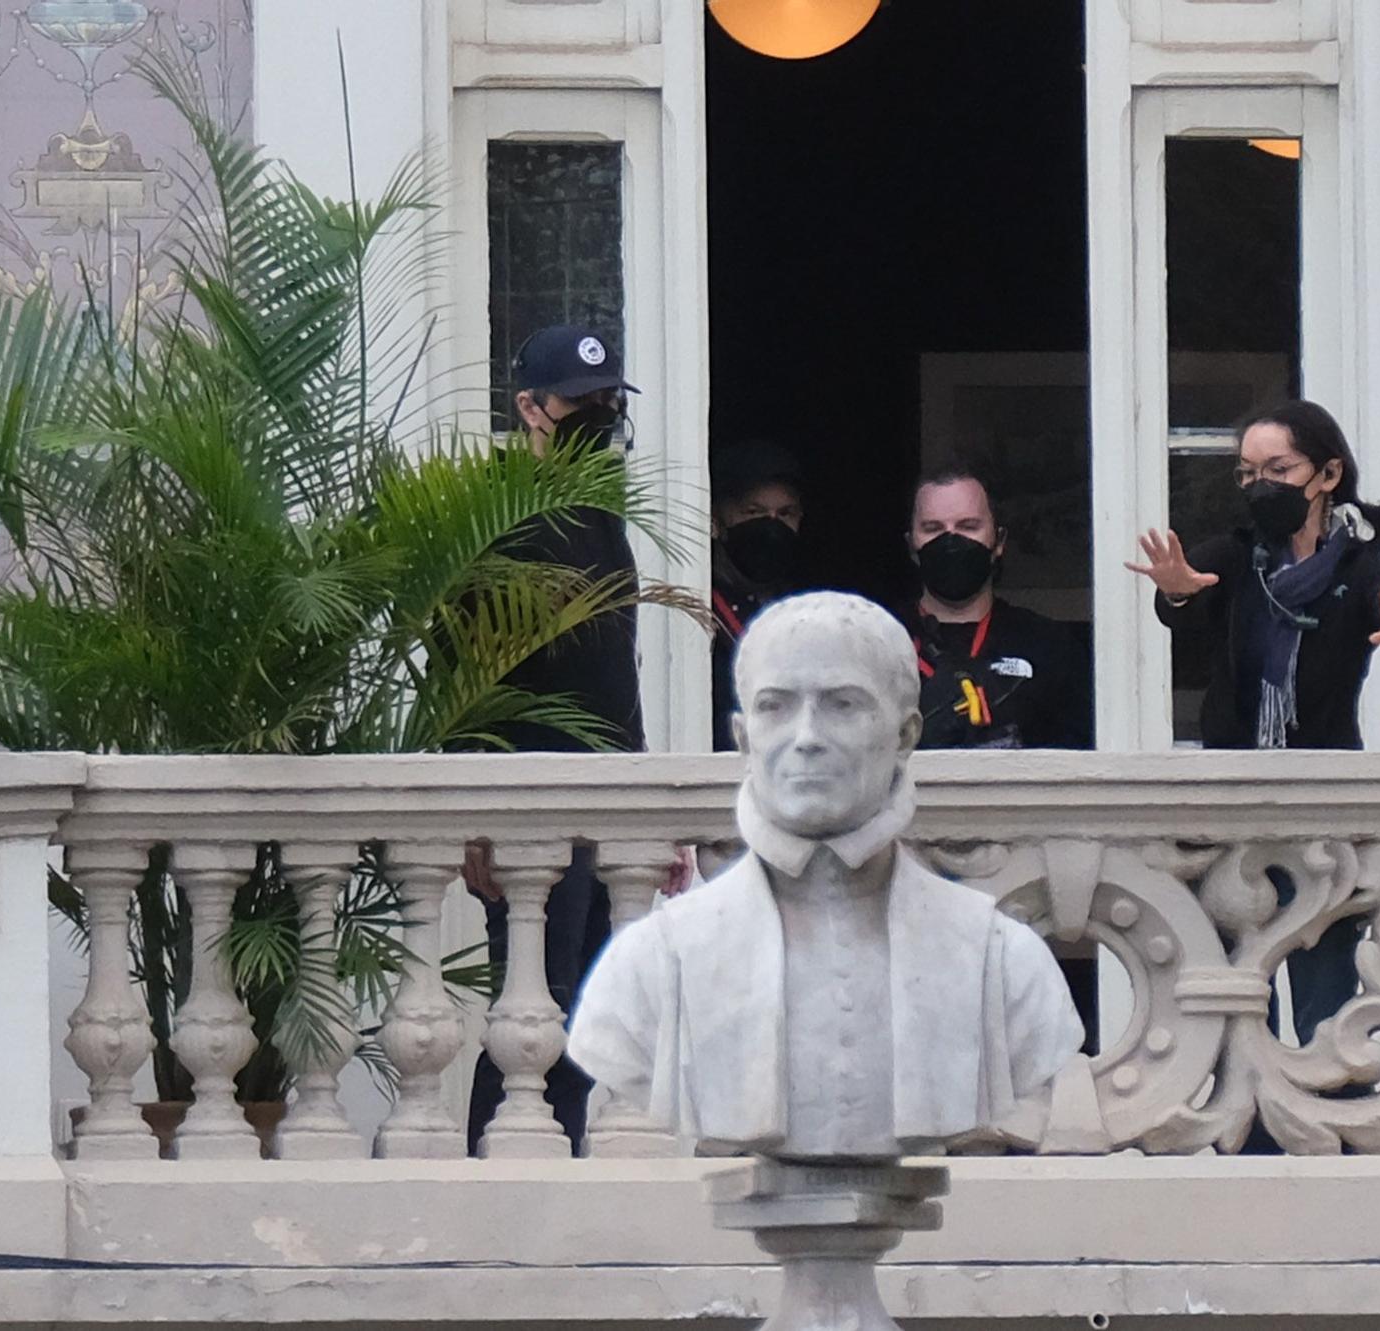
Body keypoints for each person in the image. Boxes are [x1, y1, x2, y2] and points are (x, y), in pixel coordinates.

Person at [566, 591, 1085, 1158]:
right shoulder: (648, 968)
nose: (806, 736)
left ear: (906, 736)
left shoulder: (1003, 963)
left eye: (842, 704)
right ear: (742, 737)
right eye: (775, 706)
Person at [1126, 399, 1380, 1138]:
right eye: (1247, 472)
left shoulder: (1362, 567)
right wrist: (1172, 587)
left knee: (1324, 986)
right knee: (1236, 987)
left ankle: (1328, 1137)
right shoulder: (1237, 557)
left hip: (1324, 809)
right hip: (1232, 803)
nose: (1260, 485)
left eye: (1279, 470)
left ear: (1328, 473)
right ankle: (1253, 1143)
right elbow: (1184, 600)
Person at [461, 323, 644, 1157]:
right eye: (581, 399)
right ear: (531, 408)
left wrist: (646, 807)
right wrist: (472, 814)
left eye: (608, 399)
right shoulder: (496, 518)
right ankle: (496, 1169)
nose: (599, 413)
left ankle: (566, 1162)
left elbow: (615, 671)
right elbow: (464, 678)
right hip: (529, 801)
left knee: (594, 1009)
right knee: (535, 1004)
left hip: (607, 802)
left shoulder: (604, 514)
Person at [905, 468, 1093, 752]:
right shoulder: (879, 644)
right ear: (911, 546)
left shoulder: (1049, 646)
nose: (951, 541)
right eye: (933, 529)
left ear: (999, 542)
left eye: (968, 526)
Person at [710, 439, 808, 751]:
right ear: (718, 520)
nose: (771, 526)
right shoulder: (694, 608)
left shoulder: (808, 612)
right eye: (754, 511)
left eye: (785, 513)